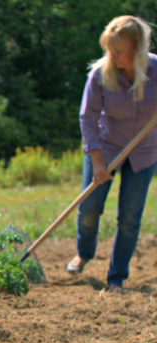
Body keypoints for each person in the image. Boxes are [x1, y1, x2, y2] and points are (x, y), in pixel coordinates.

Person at [67, 15, 157, 294]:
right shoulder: (100, 74)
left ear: (138, 49)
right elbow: (88, 117)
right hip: (104, 148)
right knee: (89, 210)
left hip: (144, 152)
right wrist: (96, 160)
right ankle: (84, 252)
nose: (112, 56)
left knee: (130, 218)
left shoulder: (155, 70)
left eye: (119, 51)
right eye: (109, 49)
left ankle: (116, 277)